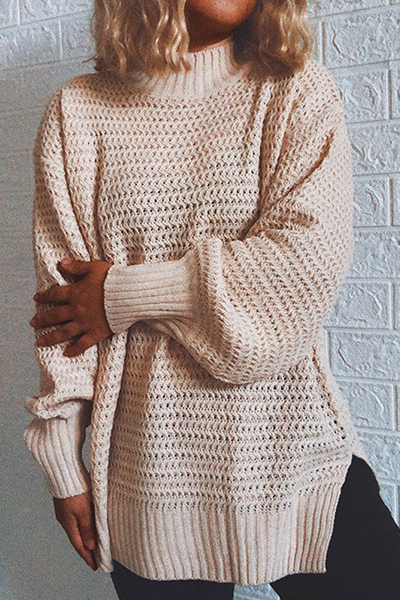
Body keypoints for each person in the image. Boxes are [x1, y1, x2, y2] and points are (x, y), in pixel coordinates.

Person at [23, 0, 400, 599]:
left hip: (294, 457)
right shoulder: (78, 113)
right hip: (149, 477)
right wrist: (63, 464)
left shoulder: (293, 90)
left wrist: (121, 294)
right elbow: (62, 314)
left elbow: (301, 270)